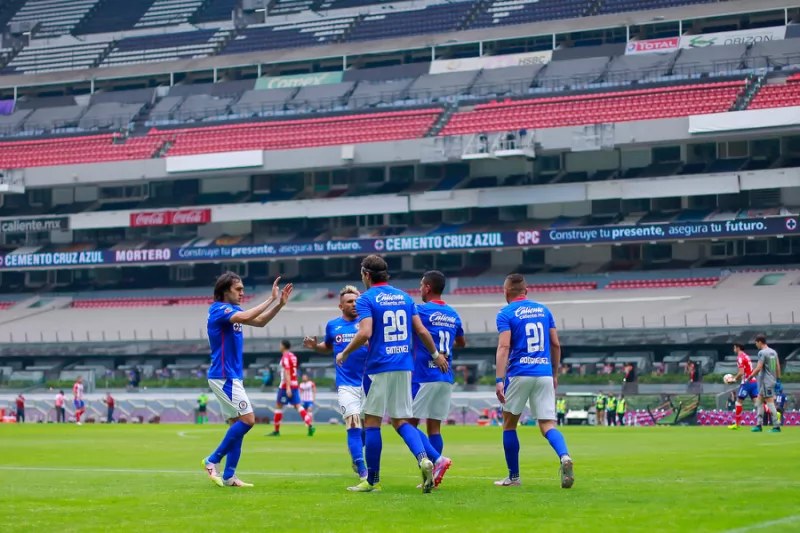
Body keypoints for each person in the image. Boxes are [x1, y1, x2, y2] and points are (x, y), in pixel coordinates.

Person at [336, 255, 449, 493]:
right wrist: (436, 354)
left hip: (378, 367)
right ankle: (423, 459)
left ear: (366, 275)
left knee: (373, 423)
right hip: (404, 366)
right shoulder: (405, 297)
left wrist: (345, 352)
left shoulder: (366, 299)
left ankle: (372, 480)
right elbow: (420, 330)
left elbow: (365, 332)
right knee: (402, 420)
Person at [202, 273, 293, 488]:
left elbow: (260, 322)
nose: (242, 293)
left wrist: (279, 304)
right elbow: (245, 318)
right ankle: (211, 459)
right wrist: (270, 299)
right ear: (225, 291)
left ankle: (229, 476)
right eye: (238, 289)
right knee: (248, 420)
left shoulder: (233, 311)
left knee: (238, 427)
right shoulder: (218, 310)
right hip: (224, 376)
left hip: (230, 376)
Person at [494, 273, 574, 489]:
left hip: (519, 373)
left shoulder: (505, 313)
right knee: (547, 424)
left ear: (506, 292)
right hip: (544, 373)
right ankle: (564, 456)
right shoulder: (544, 310)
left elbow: (504, 347)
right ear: (526, 291)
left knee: (509, 425)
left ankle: (514, 477)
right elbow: (555, 344)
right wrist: (555, 373)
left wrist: (499, 379)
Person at [304, 285, 370, 480]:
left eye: (357, 300)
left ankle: (357, 453)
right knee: (353, 423)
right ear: (341, 306)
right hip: (346, 384)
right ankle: (361, 467)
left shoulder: (368, 324)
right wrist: (315, 346)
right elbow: (328, 346)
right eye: (350, 301)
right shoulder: (333, 325)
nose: (354, 304)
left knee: (368, 428)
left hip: (370, 383)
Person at [409, 270, 464, 485]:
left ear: (428, 287)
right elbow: (461, 342)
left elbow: (416, 332)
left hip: (424, 374)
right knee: (434, 427)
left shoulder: (420, 311)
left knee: (407, 425)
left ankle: (437, 461)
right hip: (445, 375)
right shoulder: (453, 314)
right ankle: (432, 476)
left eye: (421, 285)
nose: (419, 289)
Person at [268, 340, 315, 437]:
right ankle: (309, 424)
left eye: (280, 344)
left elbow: (287, 371)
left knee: (279, 406)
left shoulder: (285, 357)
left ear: (283, 346)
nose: (279, 346)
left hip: (286, 385)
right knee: (298, 406)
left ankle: (276, 431)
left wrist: (288, 387)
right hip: (295, 383)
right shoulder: (293, 356)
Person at [746, 335, 781, 433]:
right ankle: (759, 424)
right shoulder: (773, 352)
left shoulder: (762, 352)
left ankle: (776, 426)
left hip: (766, 381)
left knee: (770, 403)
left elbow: (759, 367)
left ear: (760, 342)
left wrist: (750, 376)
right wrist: (778, 380)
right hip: (770, 380)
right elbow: (777, 366)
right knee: (759, 402)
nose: (756, 345)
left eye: (756, 343)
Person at [728, 343, 759, 430]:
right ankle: (774, 413)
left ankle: (737, 424)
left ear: (738, 348)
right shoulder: (746, 356)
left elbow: (741, 372)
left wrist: (734, 379)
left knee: (738, 402)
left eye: (734, 347)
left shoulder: (740, 357)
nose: (733, 349)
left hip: (746, 383)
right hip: (753, 381)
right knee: (757, 404)